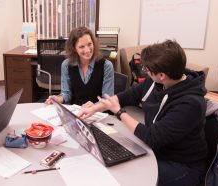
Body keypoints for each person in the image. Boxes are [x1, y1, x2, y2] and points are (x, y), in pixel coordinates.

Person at [78, 40, 207, 186]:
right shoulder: (156, 82)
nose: (145, 72)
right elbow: (125, 96)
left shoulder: (190, 104)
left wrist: (120, 113)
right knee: (113, 162)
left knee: (126, 177)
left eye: (147, 70)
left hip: (182, 165)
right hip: (156, 150)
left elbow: (151, 137)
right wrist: (94, 108)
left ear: (162, 75)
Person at [45, 27, 114, 105]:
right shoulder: (66, 65)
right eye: (81, 47)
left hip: (99, 113)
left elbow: (107, 100)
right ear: (74, 48)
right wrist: (58, 99)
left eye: (89, 44)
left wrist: (94, 107)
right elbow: (66, 94)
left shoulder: (106, 66)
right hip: (76, 112)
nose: (87, 50)